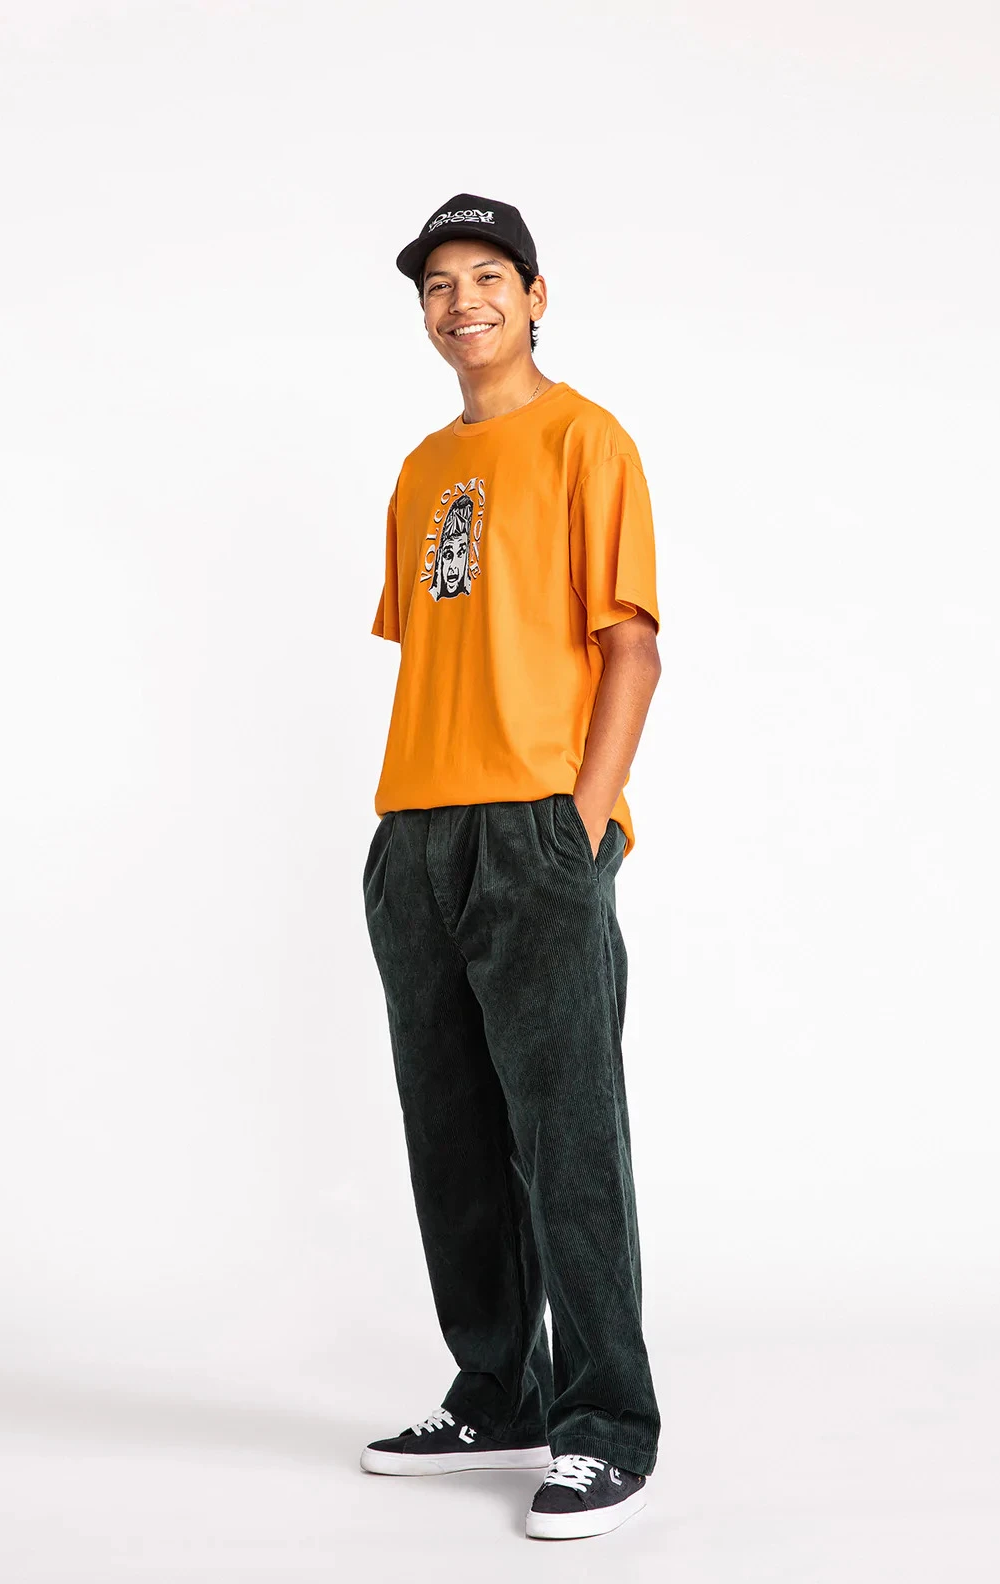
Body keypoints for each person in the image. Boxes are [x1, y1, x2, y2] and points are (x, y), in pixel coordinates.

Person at [360, 191, 664, 1543]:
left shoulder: (587, 439)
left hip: (537, 825)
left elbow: (630, 648)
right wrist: (406, 836)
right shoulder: (423, 468)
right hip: (417, 831)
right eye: (439, 284)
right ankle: (496, 1390)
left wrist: (578, 826)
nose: (463, 301)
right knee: (453, 1131)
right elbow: (439, 648)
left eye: (489, 276)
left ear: (536, 297)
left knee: (567, 1136)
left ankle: (607, 1428)